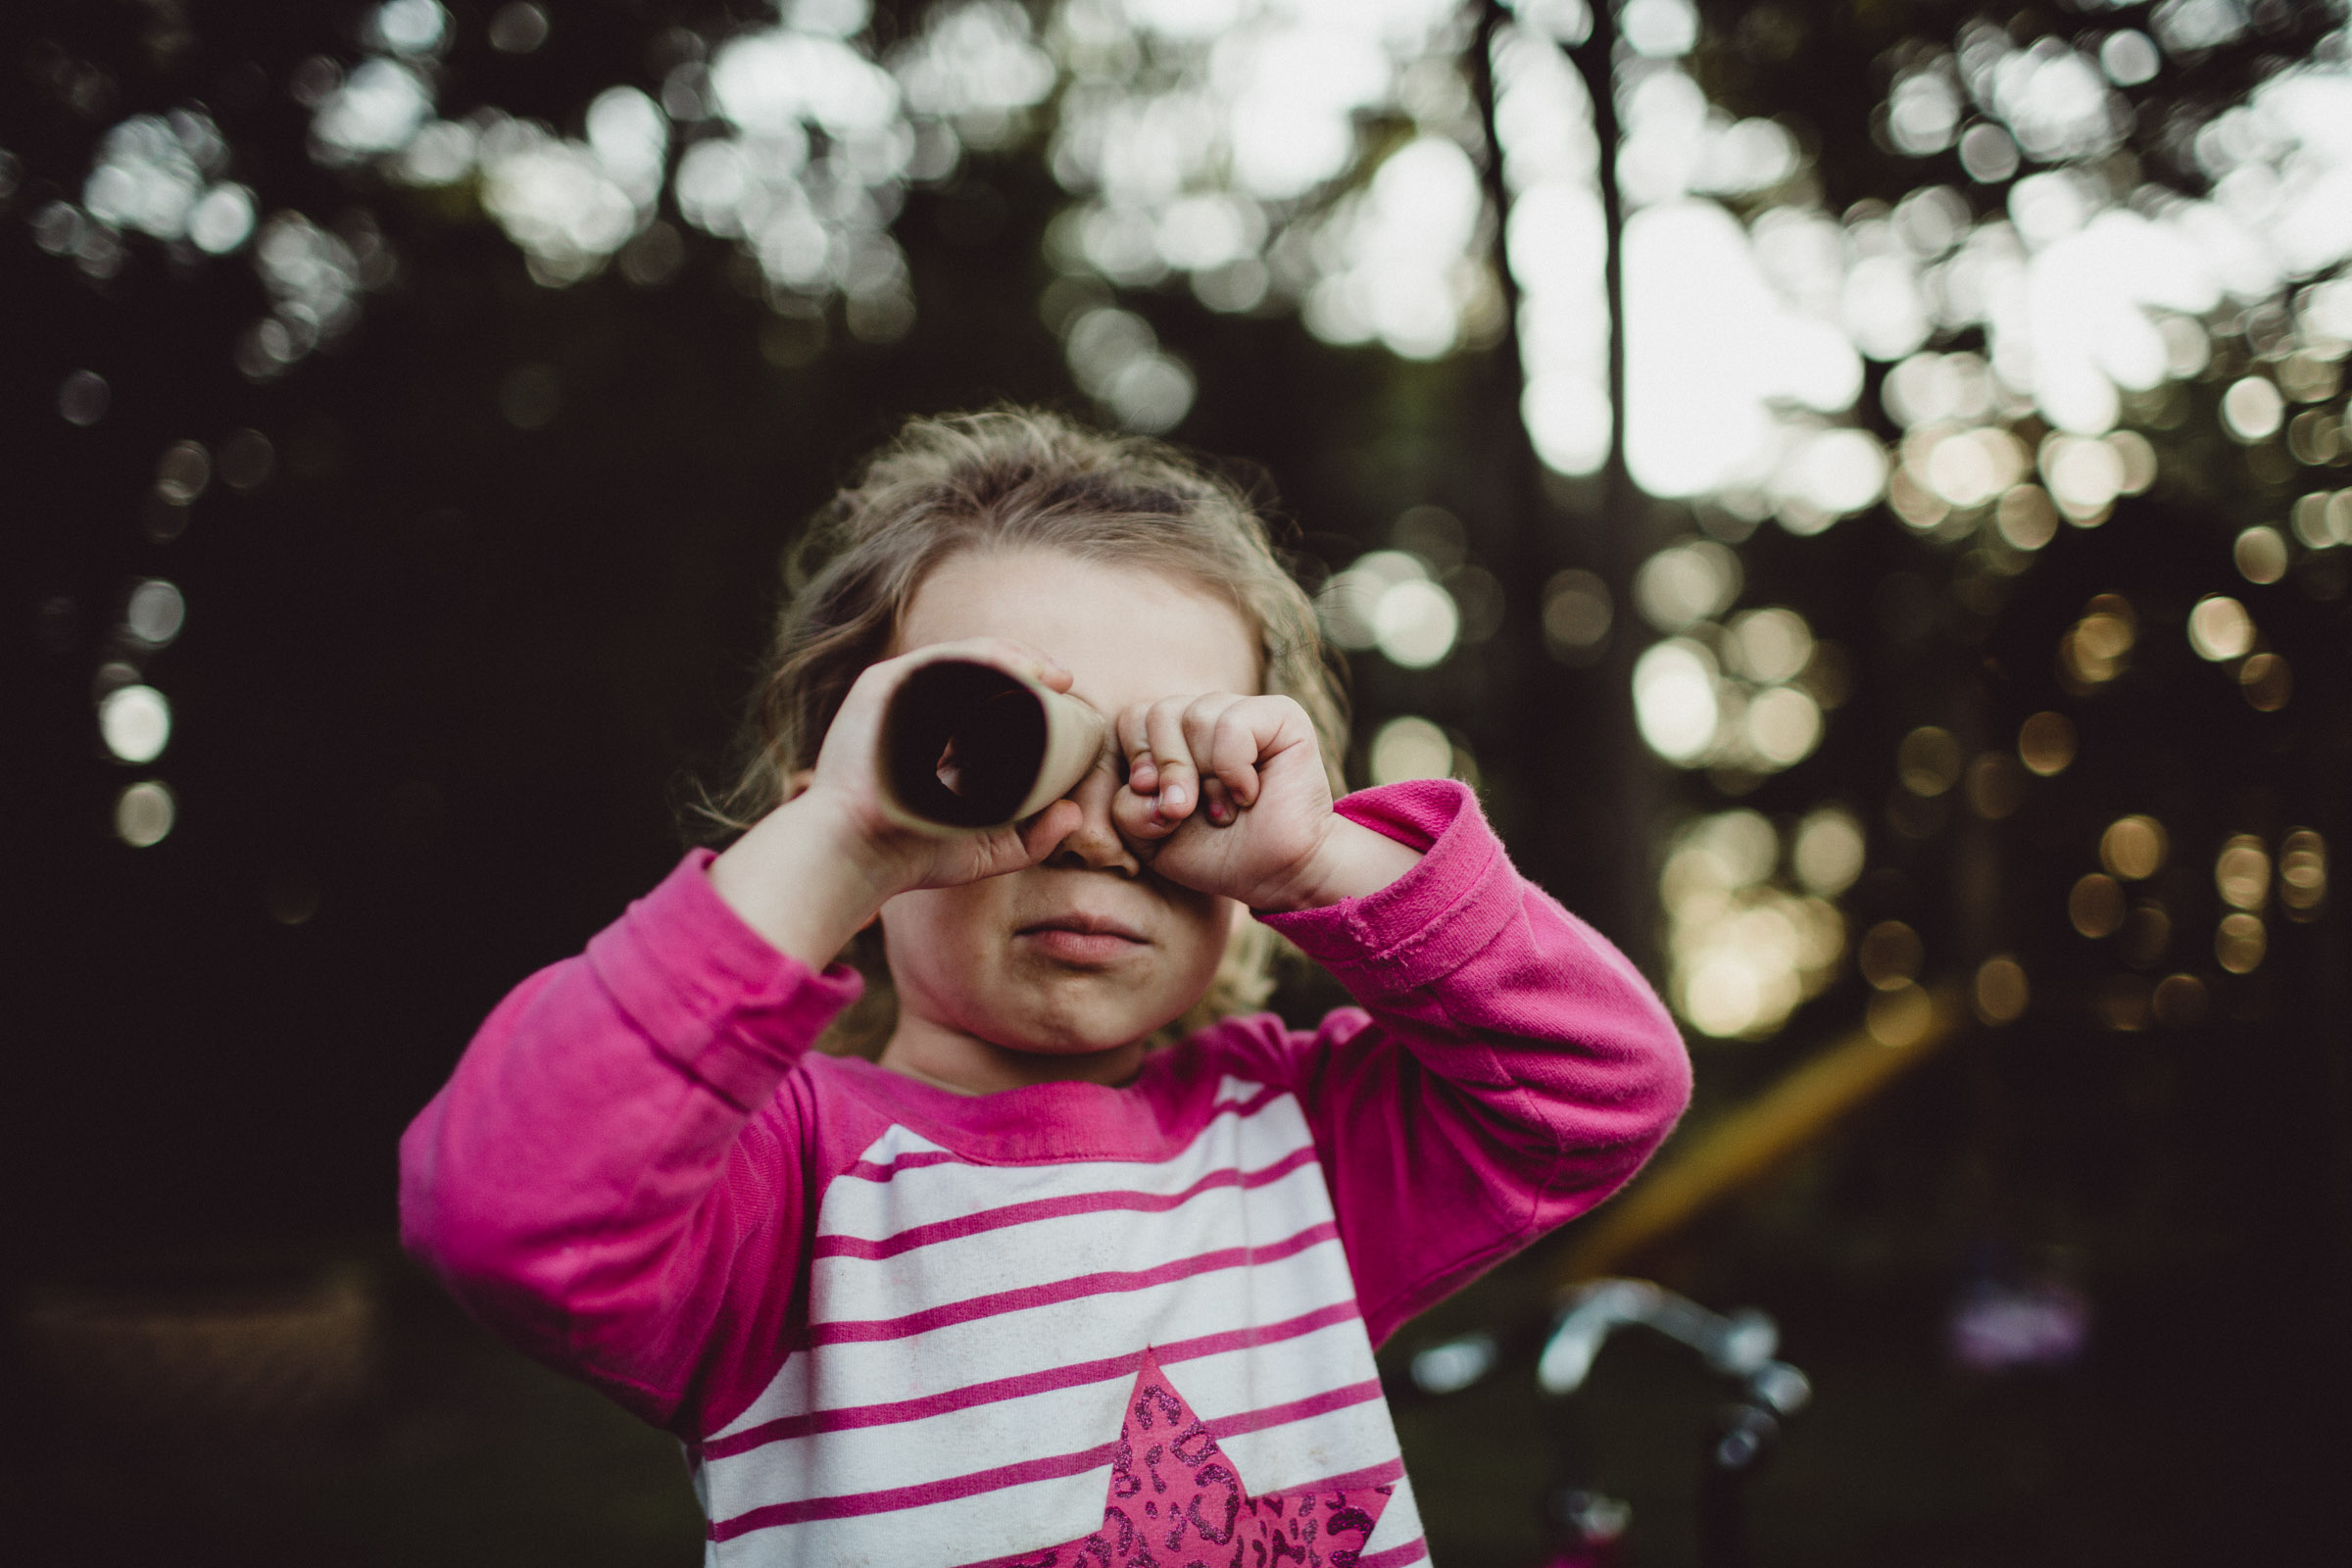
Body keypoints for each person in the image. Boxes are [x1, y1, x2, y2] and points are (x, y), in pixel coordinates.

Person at [401, 409, 1690, 1568]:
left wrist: (1316, 855)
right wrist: (842, 842)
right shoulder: (782, 1190)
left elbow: (1603, 1084)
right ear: (841, 813)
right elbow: (510, 1212)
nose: (1088, 831)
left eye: (1170, 768)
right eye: (999, 751)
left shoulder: (1298, 1152)